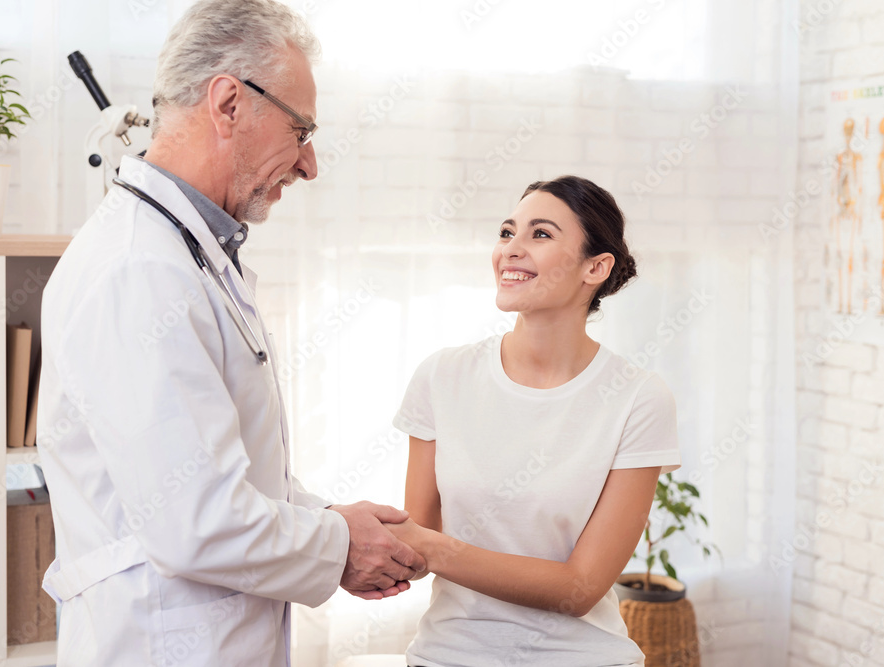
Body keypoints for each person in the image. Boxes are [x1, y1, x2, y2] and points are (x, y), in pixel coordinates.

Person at [36, 2, 424, 666]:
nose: (309, 164)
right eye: (300, 131)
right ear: (229, 104)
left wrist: (330, 519)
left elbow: (225, 474)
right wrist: (340, 543)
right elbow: (194, 520)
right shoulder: (139, 270)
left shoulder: (187, 256)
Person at [387, 176, 682, 667]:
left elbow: (580, 588)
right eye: (507, 232)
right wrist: (349, 537)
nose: (511, 249)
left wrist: (431, 549)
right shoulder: (442, 376)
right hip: (448, 655)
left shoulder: (638, 398)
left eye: (540, 234)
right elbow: (417, 543)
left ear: (596, 267)